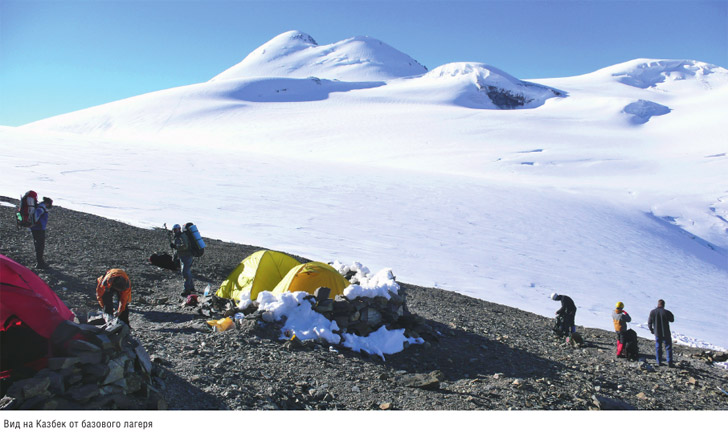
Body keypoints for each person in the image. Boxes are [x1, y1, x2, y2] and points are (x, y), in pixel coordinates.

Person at [648, 299, 675, 367]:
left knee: (658, 347)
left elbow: (649, 323)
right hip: (666, 333)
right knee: (668, 347)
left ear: (658, 304)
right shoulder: (666, 312)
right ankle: (669, 362)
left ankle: (659, 361)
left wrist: (652, 330)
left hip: (657, 332)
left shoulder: (653, 312)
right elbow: (672, 320)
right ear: (664, 305)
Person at [170, 224, 195, 296]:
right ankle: (191, 287)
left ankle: (187, 289)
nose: (175, 231)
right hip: (183, 256)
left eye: (176, 230)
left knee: (185, 272)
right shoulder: (178, 237)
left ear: (179, 229)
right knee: (187, 271)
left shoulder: (182, 236)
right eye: (174, 230)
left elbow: (185, 246)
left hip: (187, 255)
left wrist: (175, 246)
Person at [30, 197, 53, 269]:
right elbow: (35, 217)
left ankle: (40, 262)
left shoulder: (39, 207)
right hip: (39, 229)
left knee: (38, 245)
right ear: (47, 203)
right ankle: (40, 263)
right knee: (40, 246)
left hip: (36, 229)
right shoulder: (41, 208)